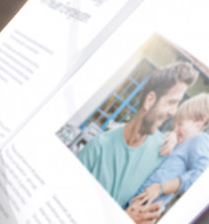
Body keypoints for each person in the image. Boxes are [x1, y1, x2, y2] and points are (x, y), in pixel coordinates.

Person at [78, 61, 198, 222]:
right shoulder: (98, 148)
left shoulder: (164, 150)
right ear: (149, 100)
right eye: (171, 102)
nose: (173, 113)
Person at [131, 92, 209, 213]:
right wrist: (172, 138)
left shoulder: (201, 140)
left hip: (147, 206)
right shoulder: (182, 142)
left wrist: (160, 188)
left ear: (200, 121)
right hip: (137, 199)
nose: (176, 129)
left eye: (180, 124)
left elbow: (198, 175)